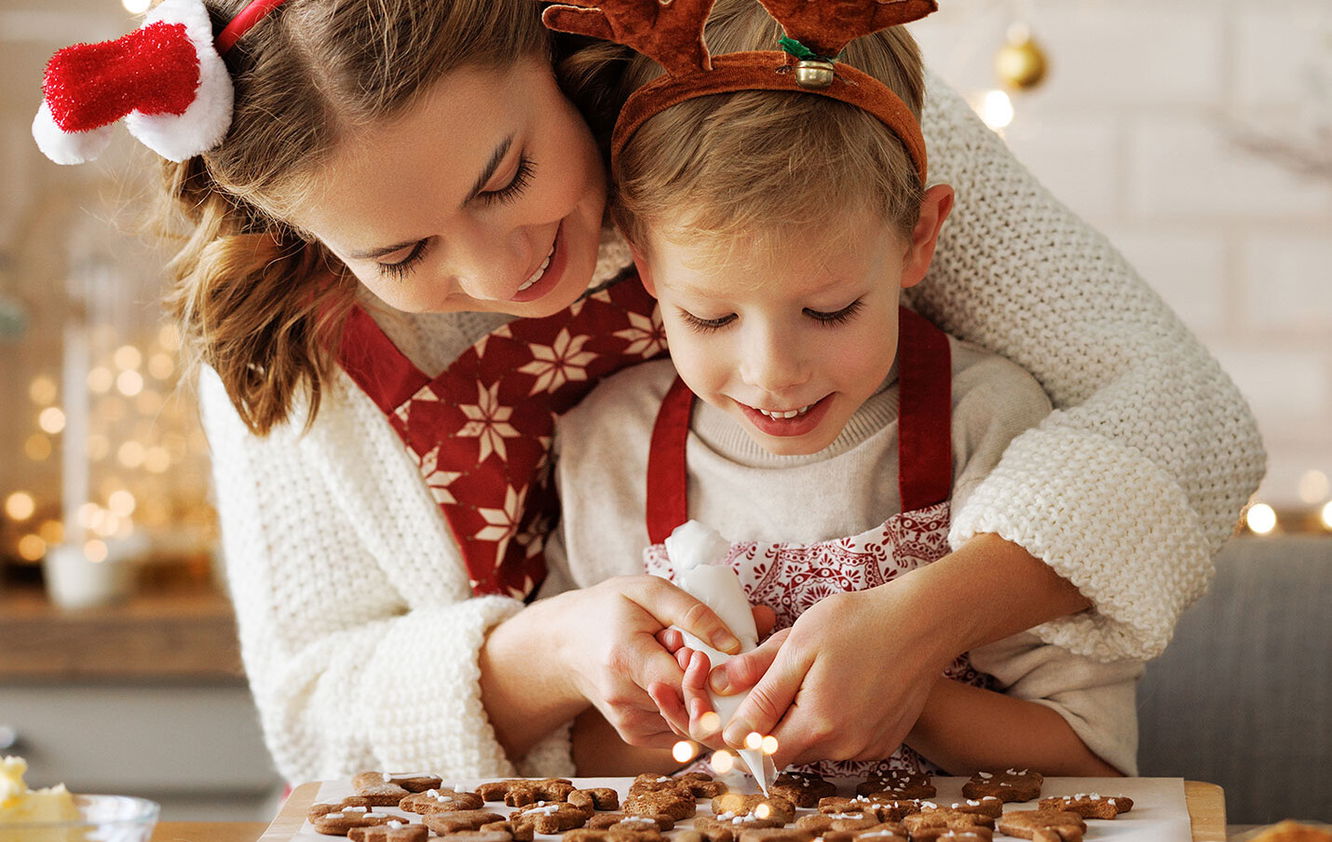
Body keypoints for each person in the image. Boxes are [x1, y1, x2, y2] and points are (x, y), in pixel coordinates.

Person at [29, 0, 1263, 782]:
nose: (499, 264)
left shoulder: (778, 65)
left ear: (546, 35)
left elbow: (1181, 412)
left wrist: (926, 626)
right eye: (401, 254)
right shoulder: (287, 340)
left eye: (506, 174)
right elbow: (313, 719)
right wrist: (551, 649)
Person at [546, 0, 1140, 777]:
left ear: (919, 238)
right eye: (711, 315)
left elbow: (1092, 763)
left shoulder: (988, 423)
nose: (773, 372)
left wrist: (904, 687)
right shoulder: (607, 449)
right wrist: (677, 707)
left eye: (830, 311)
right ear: (648, 270)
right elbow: (559, 760)